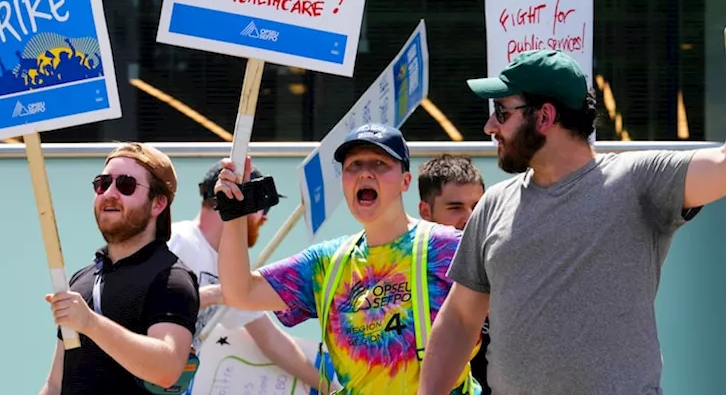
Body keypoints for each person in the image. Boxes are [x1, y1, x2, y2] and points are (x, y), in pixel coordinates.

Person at [417, 7, 726, 395]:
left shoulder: (637, 181)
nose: (490, 126)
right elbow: (459, 321)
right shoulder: (494, 205)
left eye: (502, 112)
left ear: (545, 116)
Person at [212, 124, 482, 395]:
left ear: (405, 181)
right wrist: (235, 211)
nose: (365, 172)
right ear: (343, 181)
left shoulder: (447, 247)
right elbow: (240, 293)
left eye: (380, 163)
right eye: (354, 165)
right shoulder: (327, 262)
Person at [41, 142, 201, 395]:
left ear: (158, 204)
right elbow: (55, 384)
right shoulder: (82, 279)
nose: (109, 193)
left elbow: (167, 370)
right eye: (103, 184)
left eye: (126, 185)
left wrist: (90, 323)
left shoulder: (172, 278)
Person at [169, 160, 321, 391]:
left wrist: (326, 385)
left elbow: (272, 341)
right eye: (264, 209)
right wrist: (216, 294)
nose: (265, 219)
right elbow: (144, 306)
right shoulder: (177, 240)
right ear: (243, 204)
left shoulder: (228, 271)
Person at [417, 155, 491, 395]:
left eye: (477, 207)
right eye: (455, 207)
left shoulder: (502, 265)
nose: (470, 217)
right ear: (425, 211)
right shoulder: (407, 272)